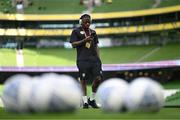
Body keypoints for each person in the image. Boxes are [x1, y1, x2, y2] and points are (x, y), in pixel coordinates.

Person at [70, 14, 102, 109]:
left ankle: (92, 99)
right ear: (81, 22)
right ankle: (85, 102)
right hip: (82, 60)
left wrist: (99, 59)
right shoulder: (75, 31)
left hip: (95, 60)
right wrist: (85, 40)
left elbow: (96, 46)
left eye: (89, 22)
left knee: (98, 79)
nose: (87, 23)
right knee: (83, 80)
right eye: (85, 22)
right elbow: (73, 44)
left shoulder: (93, 32)